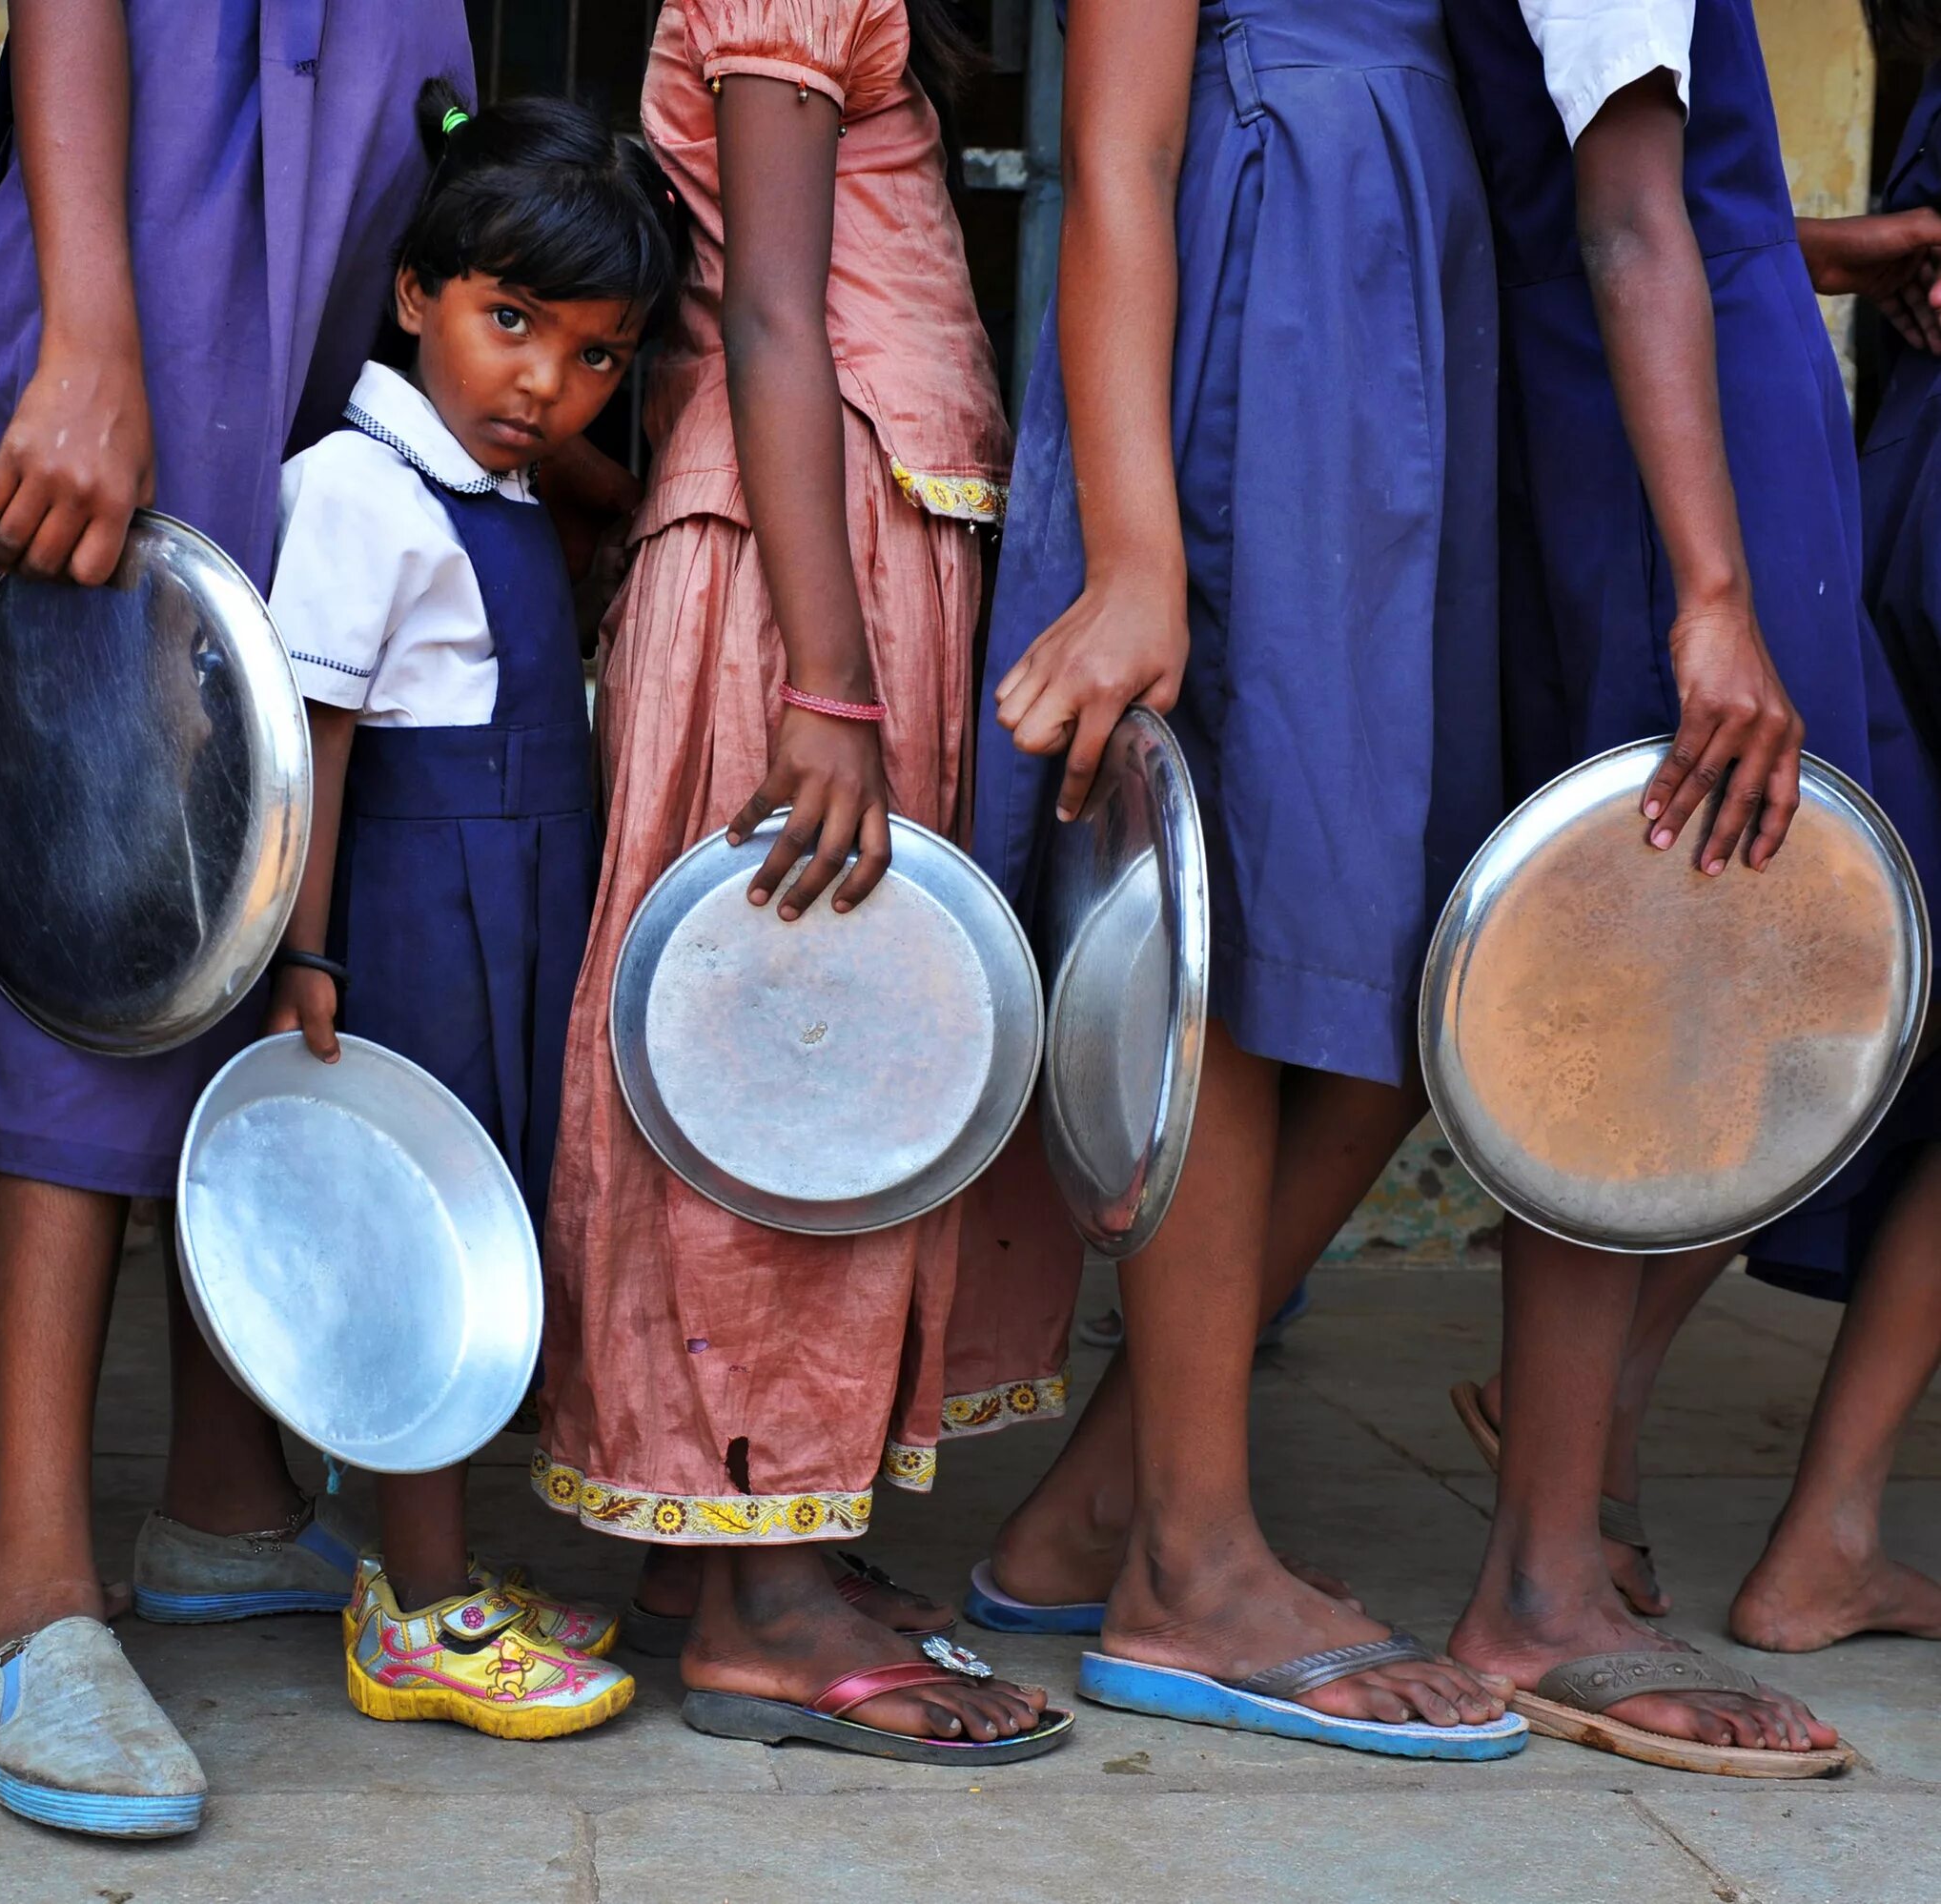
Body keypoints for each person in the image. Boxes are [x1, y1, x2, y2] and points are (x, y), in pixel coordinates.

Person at [0, 0, 472, 1839]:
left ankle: (224, 1491)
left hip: (355, 158)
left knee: (270, 823)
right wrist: (89, 322)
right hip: (164, 204)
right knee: (111, 836)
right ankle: (25, 1598)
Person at [963, 0, 1521, 1757]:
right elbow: (1119, 146)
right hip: (1267, 289)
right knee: (1239, 914)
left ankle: (1103, 1507)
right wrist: (1137, 549)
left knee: (1401, 940)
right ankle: (1192, 1564)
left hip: (1397, 276)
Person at [532, 0, 1073, 1767]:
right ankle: (771, 1602)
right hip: (805, 566)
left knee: (826, 1059)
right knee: (789, 1068)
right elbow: (773, 313)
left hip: (840, 541)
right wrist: (828, 680)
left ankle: (740, 1554)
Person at [1437, 0, 1897, 1772]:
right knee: (1644, 981)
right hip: (1677, 467)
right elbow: (1629, 215)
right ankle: (1541, 1589)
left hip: (1717, 432)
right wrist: (1711, 588)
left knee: (1754, 975)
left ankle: (1579, 1500)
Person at [258, 81, 686, 1741]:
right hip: (416, 920)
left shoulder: (502, 491)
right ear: (414, 293)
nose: (546, 383)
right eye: (511, 322)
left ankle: (433, 1574)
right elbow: (317, 738)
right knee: (419, 1251)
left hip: (513, 904)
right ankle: (419, 1607)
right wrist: (305, 949)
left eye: (593, 354)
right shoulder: (360, 493)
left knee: (488, 1222)